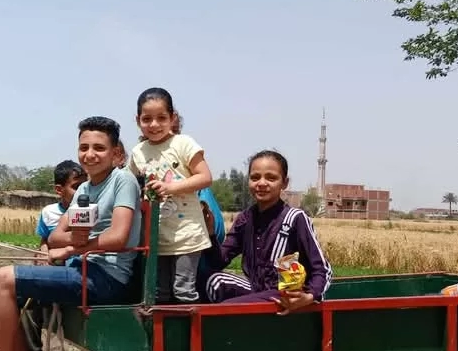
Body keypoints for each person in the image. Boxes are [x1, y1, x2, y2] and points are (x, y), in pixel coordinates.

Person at [0, 116, 143, 351]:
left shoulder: (122, 180)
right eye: (84, 147)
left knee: (4, 278)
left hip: (106, 278)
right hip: (83, 270)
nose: (90, 154)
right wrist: (74, 243)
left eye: (99, 148)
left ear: (116, 153)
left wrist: (76, 247)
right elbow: (55, 237)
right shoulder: (85, 189)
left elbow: (118, 236)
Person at [202, 149, 332, 312]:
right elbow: (219, 261)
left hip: (283, 296)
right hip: (255, 290)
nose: (262, 183)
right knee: (211, 281)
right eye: (255, 177)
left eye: (271, 178)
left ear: (284, 183)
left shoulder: (294, 219)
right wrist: (211, 233)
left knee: (225, 309)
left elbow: (322, 269)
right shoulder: (246, 218)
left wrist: (310, 296)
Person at [127, 87, 213, 304]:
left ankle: (191, 337)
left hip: (187, 235)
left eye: (161, 118)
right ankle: (163, 337)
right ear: (138, 120)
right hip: (156, 237)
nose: (154, 125)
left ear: (172, 118)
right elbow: (131, 185)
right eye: (147, 119)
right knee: (159, 294)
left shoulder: (183, 143)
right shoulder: (138, 152)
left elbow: (205, 177)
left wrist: (170, 188)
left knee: (184, 290)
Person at [23, 159, 86, 351]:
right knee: (27, 300)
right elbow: (44, 242)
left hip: (77, 271)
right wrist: (42, 253)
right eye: (76, 186)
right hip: (55, 269)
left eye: (84, 184)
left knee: (22, 291)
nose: (81, 191)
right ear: (59, 190)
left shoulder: (90, 210)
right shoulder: (49, 212)